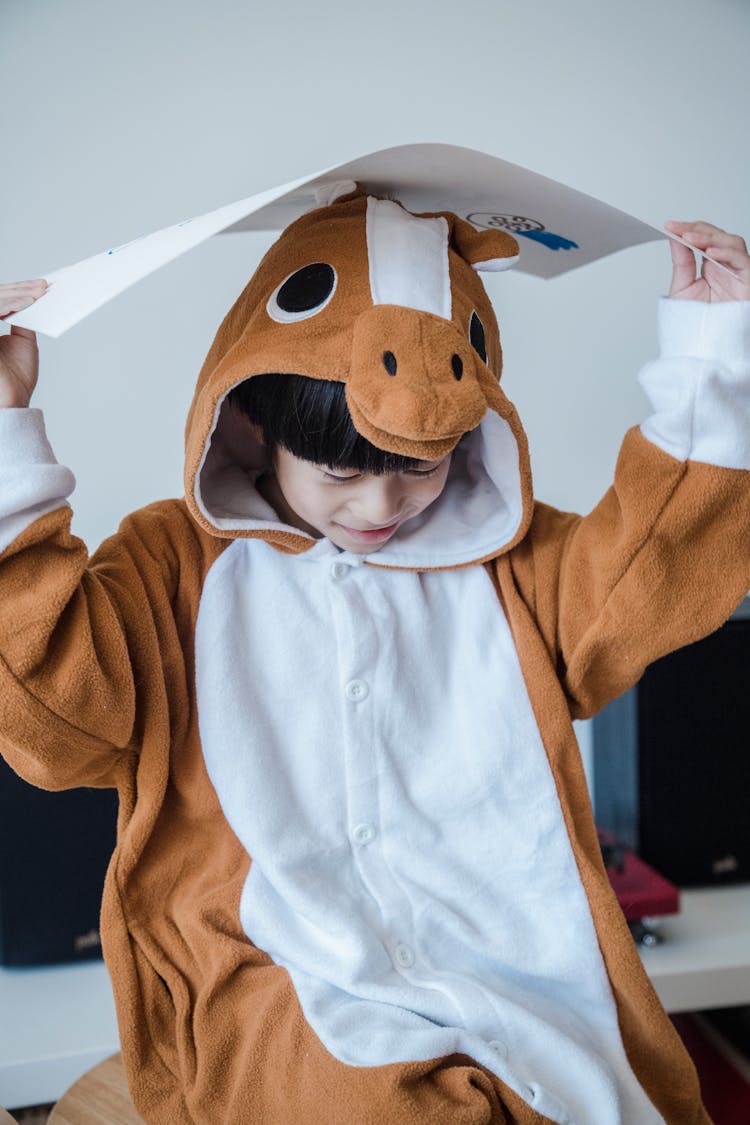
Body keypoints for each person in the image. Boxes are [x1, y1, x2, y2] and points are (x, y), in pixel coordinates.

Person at [0, 191, 748, 1125]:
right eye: (342, 474)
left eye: (424, 464)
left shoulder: (512, 563)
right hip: (276, 969)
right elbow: (55, 713)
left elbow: (655, 570)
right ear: (257, 421)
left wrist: (713, 361)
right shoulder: (171, 566)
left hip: (506, 959)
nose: (380, 506)